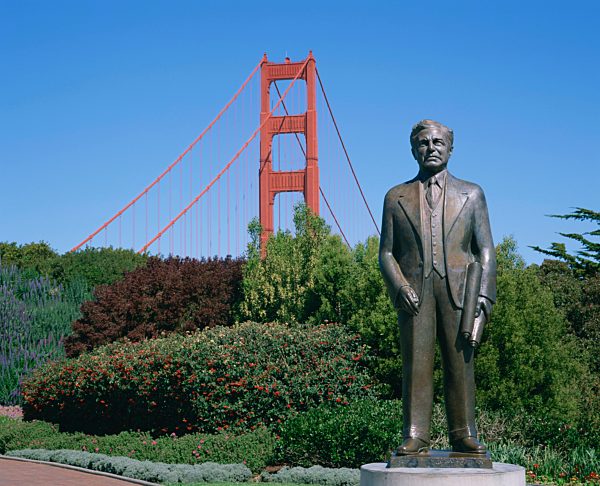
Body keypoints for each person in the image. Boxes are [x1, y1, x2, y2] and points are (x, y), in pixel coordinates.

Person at [379, 119, 496, 455]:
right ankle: (415, 434)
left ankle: (464, 433)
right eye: (423, 143)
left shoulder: (472, 194)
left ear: (450, 148)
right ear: (414, 149)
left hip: (461, 292)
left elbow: (486, 250)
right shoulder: (395, 197)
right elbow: (385, 253)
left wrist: (484, 299)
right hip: (414, 293)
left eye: (437, 142)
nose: (431, 148)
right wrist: (399, 286)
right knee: (415, 364)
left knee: (461, 363)